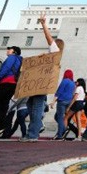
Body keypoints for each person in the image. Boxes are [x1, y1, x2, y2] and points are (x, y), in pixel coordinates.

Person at [21, 14, 64, 142]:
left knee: (36, 107)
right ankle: (35, 129)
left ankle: (33, 134)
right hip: (39, 82)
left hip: (42, 84)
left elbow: (48, 38)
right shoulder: (53, 55)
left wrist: (43, 24)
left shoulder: (55, 50)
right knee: (31, 104)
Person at [49, 70, 75, 140]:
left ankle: (60, 134)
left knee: (59, 118)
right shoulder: (73, 83)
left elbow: (59, 92)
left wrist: (53, 102)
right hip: (68, 101)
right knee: (58, 117)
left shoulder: (64, 81)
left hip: (62, 101)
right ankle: (64, 128)